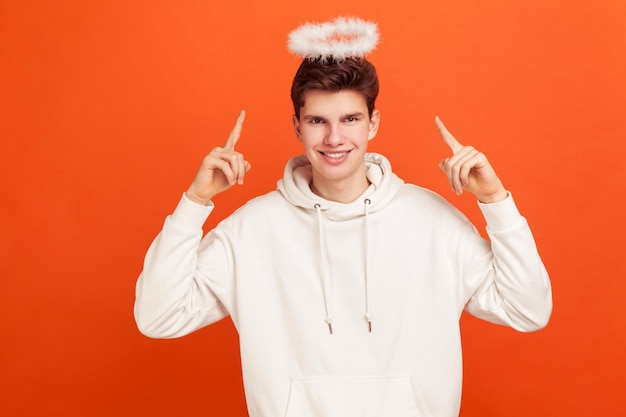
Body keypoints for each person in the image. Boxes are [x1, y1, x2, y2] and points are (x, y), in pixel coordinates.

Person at [134, 16, 552, 417]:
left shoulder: (433, 222)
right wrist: (195, 202)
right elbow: (158, 316)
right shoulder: (252, 229)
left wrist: (496, 201)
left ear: (373, 123)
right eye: (318, 121)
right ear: (297, 127)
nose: (334, 138)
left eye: (350, 119)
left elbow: (527, 309)